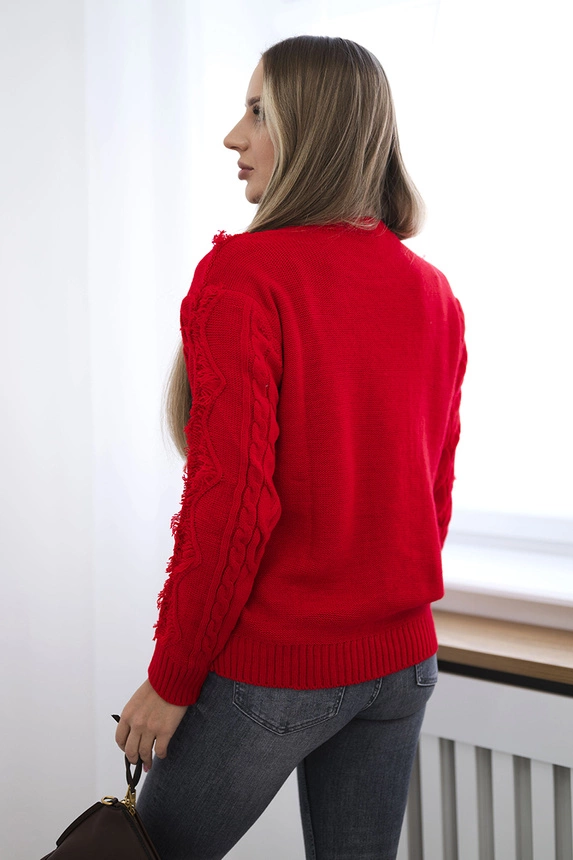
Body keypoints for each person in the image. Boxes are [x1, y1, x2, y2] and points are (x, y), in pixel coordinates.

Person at [114, 34, 468, 860]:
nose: (232, 137)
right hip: (403, 659)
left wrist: (172, 680)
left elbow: (229, 507)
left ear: (316, 130)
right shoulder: (432, 293)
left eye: (258, 112)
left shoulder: (246, 276)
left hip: (283, 664)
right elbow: (432, 491)